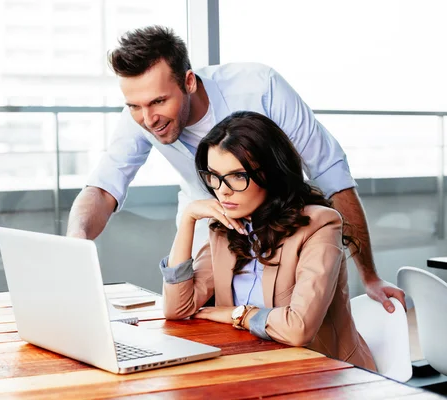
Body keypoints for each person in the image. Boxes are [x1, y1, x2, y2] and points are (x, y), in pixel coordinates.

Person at [66, 25, 405, 313]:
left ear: (189, 82)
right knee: (191, 319)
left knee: (286, 321)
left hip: (284, 221)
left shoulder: (259, 86)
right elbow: (103, 187)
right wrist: (75, 245)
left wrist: (371, 276)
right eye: (134, 106)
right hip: (211, 224)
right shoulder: (140, 117)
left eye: (158, 101)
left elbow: (332, 175)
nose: (148, 119)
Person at [161, 111, 376, 370]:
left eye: (238, 176)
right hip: (251, 362)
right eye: (214, 176)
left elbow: (299, 329)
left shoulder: (321, 225)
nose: (223, 190)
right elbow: (178, 308)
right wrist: (188, 219)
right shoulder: (224, 226)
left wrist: (236, 314)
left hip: (324, 373)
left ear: (271, 173)